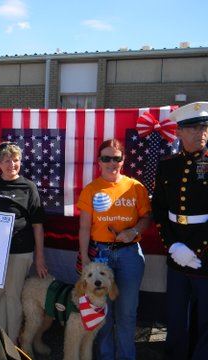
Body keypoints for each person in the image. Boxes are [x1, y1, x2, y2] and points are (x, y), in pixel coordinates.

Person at [77, 139, 151, 360]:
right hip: (101, 256)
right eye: (106, 158)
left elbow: (146, 217)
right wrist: (84, 260)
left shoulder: (135, 187)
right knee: (103, 313)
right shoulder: (91, 189)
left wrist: (134, 230)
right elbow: (84, 227)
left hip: (130, 255)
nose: (112, 162)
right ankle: (106, 356)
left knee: (127, 313)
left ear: (123, 160)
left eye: (116, 158)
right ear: (99, 161)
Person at [0, 141, 48, 343]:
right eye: (6, 160)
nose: (11, 164)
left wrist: (39, 257)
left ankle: (12, 341)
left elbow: (38, 225)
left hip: (19, 251)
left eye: (15, 160)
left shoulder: (28, 187)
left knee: (13, 296)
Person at [152, 102, 208, 360]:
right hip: (176, 256)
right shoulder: (167, 165)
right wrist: (173, 246)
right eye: (194, 127)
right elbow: (160, 210)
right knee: (176, 318)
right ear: (179, 132)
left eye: (205, 127)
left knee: (205, 320)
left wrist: (196, 250)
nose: (202, 132)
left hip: (205, 257)